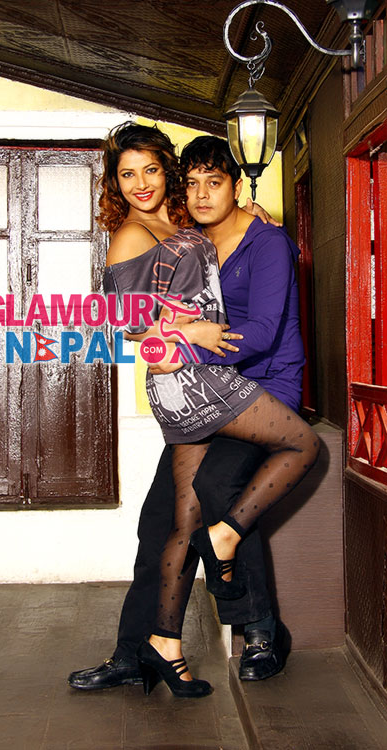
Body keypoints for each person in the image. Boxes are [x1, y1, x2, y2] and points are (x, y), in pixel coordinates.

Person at [68, 123, 318, 697]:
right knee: (163, 520)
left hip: (240, 386)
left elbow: (245, 315)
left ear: (169, 174)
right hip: (205, 388)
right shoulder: (149, 234)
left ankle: (254, 633)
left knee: (209, 497)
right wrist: (179, 339)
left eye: (151, 170)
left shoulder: (201, 228)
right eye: (127, 174)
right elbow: (126, 323)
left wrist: (256, 217)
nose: (140, 183)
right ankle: (141, 650)